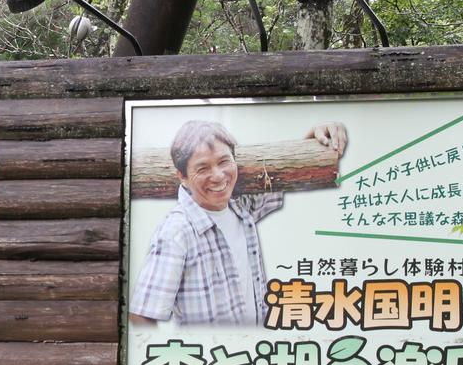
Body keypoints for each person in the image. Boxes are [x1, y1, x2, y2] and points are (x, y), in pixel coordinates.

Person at [129, 119, 347, 326]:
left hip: (253, 352)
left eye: (224, 161)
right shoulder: (177, 233)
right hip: (213, 359)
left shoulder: (242, 209)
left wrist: (313, 135)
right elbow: (142, 315)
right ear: (182, 176)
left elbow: (285, 179)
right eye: (203, 168)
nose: (218, 176)